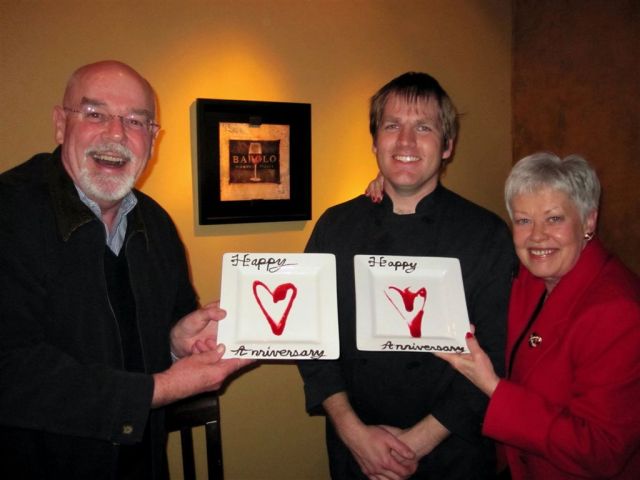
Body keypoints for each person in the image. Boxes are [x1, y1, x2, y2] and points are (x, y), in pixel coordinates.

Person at [0, 60, 251, 479]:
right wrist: (160, 388)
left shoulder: (157, 224)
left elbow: (151, 345)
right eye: (95, 114)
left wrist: (175, 344)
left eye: (136, 121)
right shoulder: (9, 213)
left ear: (153, 138)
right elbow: (11, 370)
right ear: (61, 124)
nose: (116, 134)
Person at [297, 71, 517, 479]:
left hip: (453, 454)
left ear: (448, 145)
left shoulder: (486, 234)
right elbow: (312, 342)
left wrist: (415, 444)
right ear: (374, 140)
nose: (405, 142)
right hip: (355, 452)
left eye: (424, 128)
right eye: (392, 125)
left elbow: (498, 352)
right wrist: (352, 432)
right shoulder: (335, 226)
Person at [436, 152, 640, 479]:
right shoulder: (531, 278)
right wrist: (391, 188)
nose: (537, 236)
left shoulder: (618, 313)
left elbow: (601, 451)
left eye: (554, 219)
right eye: (523, 220)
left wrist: (493, 388)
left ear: (588, 221)